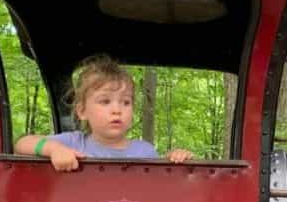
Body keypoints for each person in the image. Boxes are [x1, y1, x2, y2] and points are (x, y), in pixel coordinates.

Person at [15, 55, 192, 171]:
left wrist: (174, 160)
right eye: (105, 101)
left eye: (126, 102)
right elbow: (22, 144)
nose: (117, 110)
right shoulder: (73, 143)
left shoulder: (145, 151)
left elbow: (160, 187)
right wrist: (54, 150)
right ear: (82, 111)